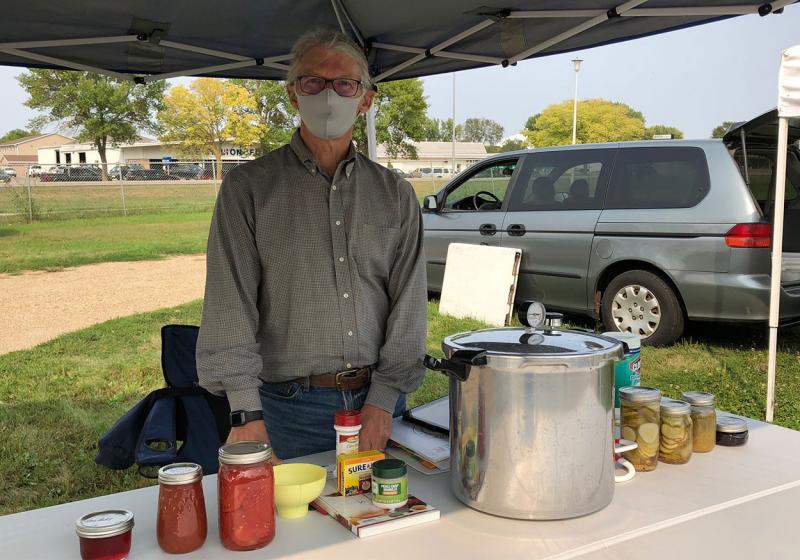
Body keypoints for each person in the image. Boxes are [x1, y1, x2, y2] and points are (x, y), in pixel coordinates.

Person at [196, 29, 427, 463]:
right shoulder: (248, 189)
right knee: (297, 527)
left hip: (378, 402)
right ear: (292, 95)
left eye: (344, 84)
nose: (328, 94)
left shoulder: (395, 193)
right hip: (289, 408)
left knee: (384, 521)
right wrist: (245, 412)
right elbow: (230, 303)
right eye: (312, 82)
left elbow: (409, 303)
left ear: (366, 100)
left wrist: (384, 396)